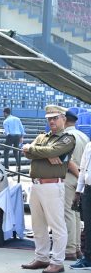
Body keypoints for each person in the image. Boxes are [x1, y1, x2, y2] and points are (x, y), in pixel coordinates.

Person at [21, 105, 77, 273]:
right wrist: (44, 153)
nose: (51, 121)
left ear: (63, 119)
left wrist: (33, 149)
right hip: (36, 184)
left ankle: (57, 261)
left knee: (57, 225)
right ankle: (42, 257)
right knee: (38, 225)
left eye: (55, 118)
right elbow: (27, 153)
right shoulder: (42, 136)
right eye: (49, 119)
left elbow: (54, 150)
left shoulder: (67, 138)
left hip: (53, 185)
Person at [63, 108, 89, 260]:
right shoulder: (83, 136)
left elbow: (68, 161)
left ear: (64, 120)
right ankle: (77, 248)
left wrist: (79, 177)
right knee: (76, 214)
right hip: (81, 179)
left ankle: (70, 249)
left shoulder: (66, 136)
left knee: (68, 214)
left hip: (70, 176)